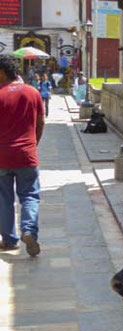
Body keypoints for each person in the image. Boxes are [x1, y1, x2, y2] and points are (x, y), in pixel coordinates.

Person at [0, 54, 44, 256]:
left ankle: (10, 240)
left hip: (2, 157)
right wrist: (33, 144)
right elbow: (40, 122)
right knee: (30, 197)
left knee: (4, 199)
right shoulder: (32, 92)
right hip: (27, 155)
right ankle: (29, 231)